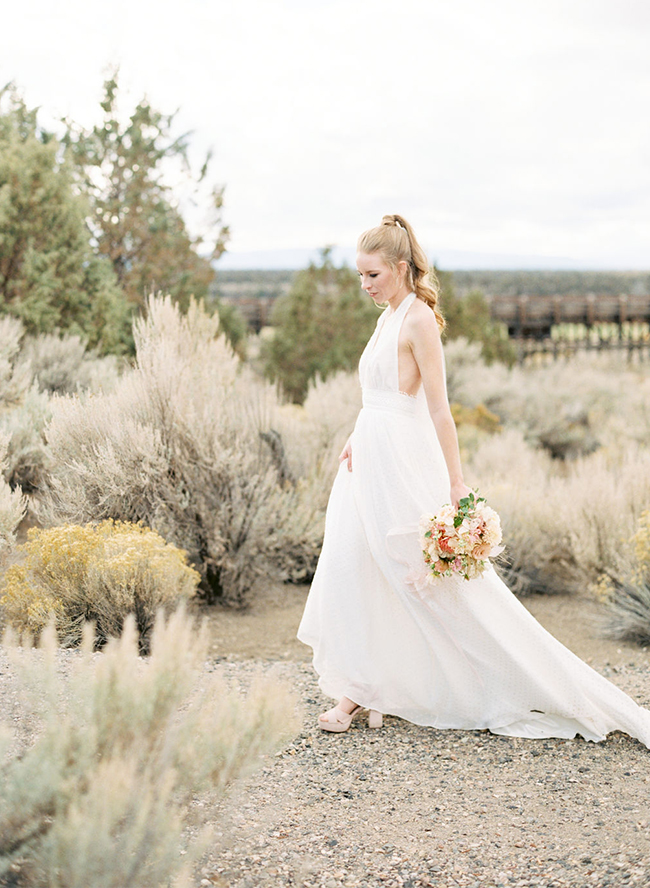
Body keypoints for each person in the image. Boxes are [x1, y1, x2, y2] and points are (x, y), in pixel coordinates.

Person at [297, 213, 650, 746]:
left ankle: (518, 681)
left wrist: (456, 484)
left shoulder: (417, 320)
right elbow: (381, 395)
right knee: (358, 565)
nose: (363, 285)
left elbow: (438, 410)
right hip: (367, 459)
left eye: (372, 274)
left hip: (400, 465)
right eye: (359, 275)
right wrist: (355, 434)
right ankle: (365, 687)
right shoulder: (386, 316)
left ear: (399, 267)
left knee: (419, 578)